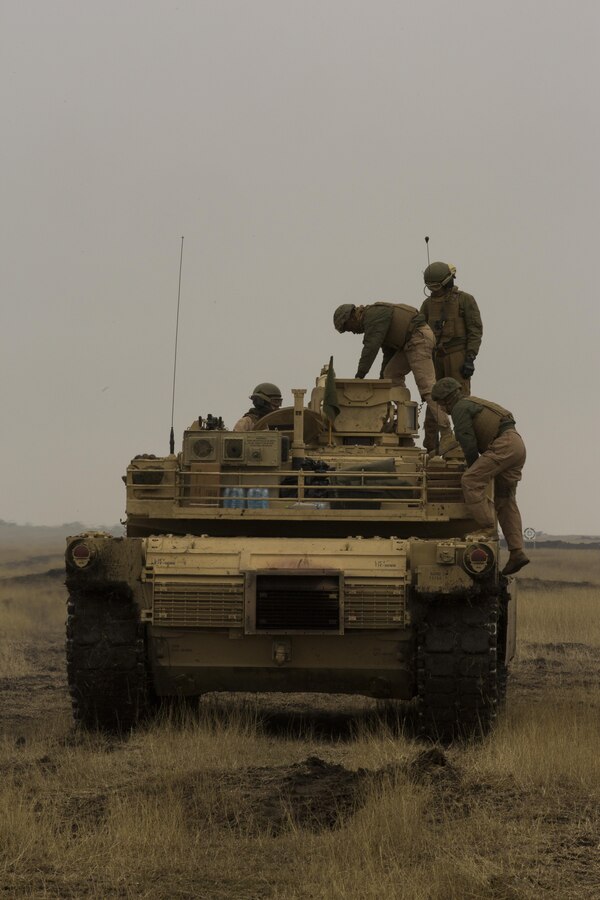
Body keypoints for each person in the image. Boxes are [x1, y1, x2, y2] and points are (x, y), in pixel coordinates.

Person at [430, 377, 529, 576]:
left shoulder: (459, 408)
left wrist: (472, 467)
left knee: (470, 480)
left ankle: (486, 527)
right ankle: (517, 552)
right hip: (516, 444)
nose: (443, 408)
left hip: (503, 444)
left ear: (446, 400)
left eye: (441, 403)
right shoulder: (472, 402)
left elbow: (468, 442)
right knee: (505, 498)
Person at [333, 302, 454, 452]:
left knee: (427, 388)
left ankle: (447, 433)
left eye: (348, 328)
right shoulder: (374, 318)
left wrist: (359, 377)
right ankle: (404, 422)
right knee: (391, 375)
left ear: (352, 317)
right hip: (411, 341)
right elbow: (387, 354)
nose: (352, 332)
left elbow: (371, 347)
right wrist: (381, 383)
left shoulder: (373, 317)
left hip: (418, 339)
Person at [420, 262, 483, 452]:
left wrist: (470, 357)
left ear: (447, 282)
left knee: (460, 401)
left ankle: (462, 447)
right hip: (434, 357)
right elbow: (419, 330)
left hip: (457, 355)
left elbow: (475, 330)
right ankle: (431, 447)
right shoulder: (427, 305)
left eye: (436, 287)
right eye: (430, 287)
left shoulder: (465, 301)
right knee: (433, 399)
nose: (433, 291)